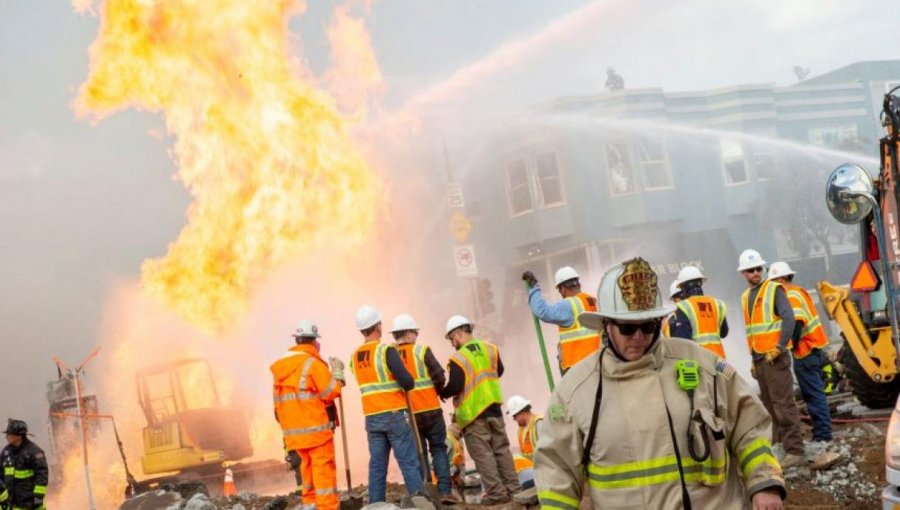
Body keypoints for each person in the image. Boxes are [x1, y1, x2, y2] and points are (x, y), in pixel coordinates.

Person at [535, 257, 786, 510]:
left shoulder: (702, 364)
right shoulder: (575, 391)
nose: (639, 337)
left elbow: (749, 424)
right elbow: (557, 470)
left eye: (648, 326)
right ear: (606, 325)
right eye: (627, 329)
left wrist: (765, 483)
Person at [437, 315, 521, 504]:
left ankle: (497, 495)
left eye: (452, 339)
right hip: (494, 409)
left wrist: (443, 392)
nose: (452, 343)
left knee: (483, 456)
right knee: (502, 451)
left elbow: (456, 384)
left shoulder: (458, 358)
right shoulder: (490, 349)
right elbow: (498, 370)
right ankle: (515, 491)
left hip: (474, 415)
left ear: (457, 334)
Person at [349, 305, 424, 503]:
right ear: (377, 327)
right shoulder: (386, 351)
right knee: (408, 462)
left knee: (377, 467)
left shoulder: (354, 357)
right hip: (394, 415)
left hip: (372, 417)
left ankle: (376, 505)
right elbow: (407, 382)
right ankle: (420, 502)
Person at [737, 250, 805, 468]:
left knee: (783, 405)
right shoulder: (746, 297)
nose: (756, 273)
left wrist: (780, 347)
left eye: (758, 268)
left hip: (775, 358)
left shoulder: (773, 289)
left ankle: (795, 451)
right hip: (760, 358)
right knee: (767, 406)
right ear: (743, 274)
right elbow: (752, 331)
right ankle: (777, 446)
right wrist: (752, 361)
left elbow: (789, 318)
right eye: (751, 270)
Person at [271, 320, 343, 510]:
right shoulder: (313, 364)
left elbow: (278, 409)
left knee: (308, 477)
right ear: (313, 342)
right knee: (324, 476)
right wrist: (337, 373)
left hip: (295, 437)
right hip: (317, 434)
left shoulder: (281, 370)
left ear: (297, 340)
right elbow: (330, 393)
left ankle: (310, 506)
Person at [390, 313, 461, 504]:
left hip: (408, 413)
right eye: (415, 332)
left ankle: (426, 493)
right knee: (438, 448)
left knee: (417, 452)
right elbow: (439, 375)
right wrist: (439, 391)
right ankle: (445, 492)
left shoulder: (389, 353)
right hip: (430, 408)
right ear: (409, 333)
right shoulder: (421, 350)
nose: (416, 336)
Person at [768, 261, 833, 443]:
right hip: (812, 348)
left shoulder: (790, 295)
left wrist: (784, 346)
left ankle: (823, 435)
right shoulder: (798, 291)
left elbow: (796, 323)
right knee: (815, 392)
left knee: (813, 394)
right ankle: (822, 433)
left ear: (780, 279)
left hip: (806, 350)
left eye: (773, 282)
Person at [523, 267, 601, 375]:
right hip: (597, 363)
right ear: (578, 284)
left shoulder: (568, 305)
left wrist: (533, 287)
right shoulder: (591, 301)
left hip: (579, 368)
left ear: (563, 288)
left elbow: (542, 311)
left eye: (559, 290)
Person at [668, 265, 729, 358]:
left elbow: (683, 341)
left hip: (699, 362)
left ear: (684, 287)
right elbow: (724, 333)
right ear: (700, 283)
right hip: (719, 361)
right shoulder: (718, 304)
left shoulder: (683, 307)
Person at [1, 419, 49, 510]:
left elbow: (42, 476)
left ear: (19, 436)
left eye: (9, 434)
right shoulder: (6, 452)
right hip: (11, 503)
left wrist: (38, 498)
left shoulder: (34, 452)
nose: (6, 437)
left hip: (30, 503)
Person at [507, 395, 542, 490]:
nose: (514, 419)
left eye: (514, 416)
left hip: (544, 469)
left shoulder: (539, 423)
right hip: (534, 469)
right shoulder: (521, 430)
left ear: (522, 412)